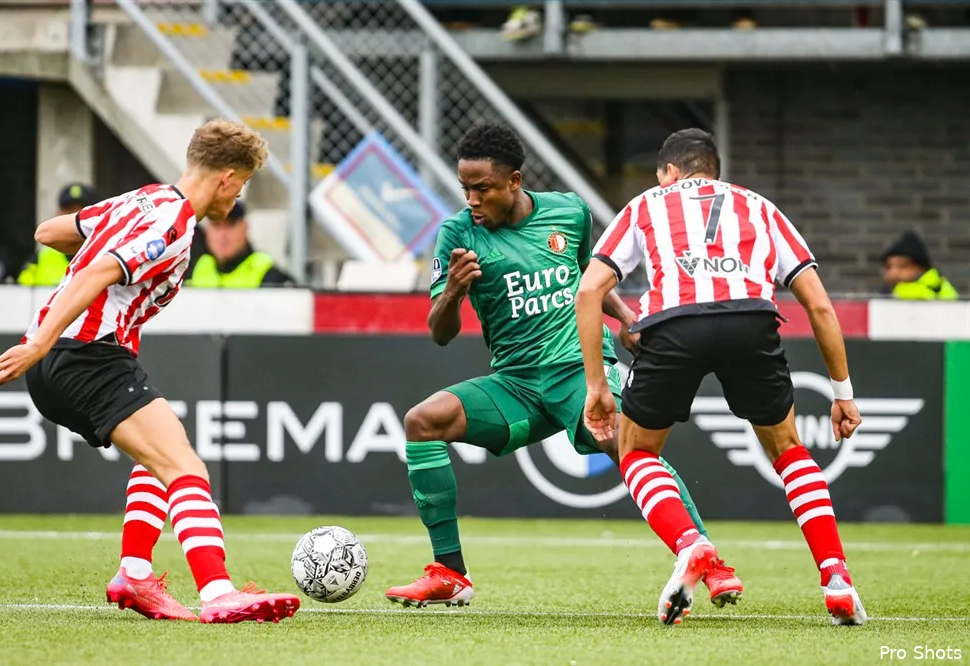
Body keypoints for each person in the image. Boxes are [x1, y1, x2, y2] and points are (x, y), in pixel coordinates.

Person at [384, 123, 743, 610]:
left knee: (627, 444)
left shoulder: (569, 212)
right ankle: (451, 573)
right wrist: (453, 292)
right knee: (422, 422)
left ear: (514, 180)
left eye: (483, 189)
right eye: (465, 189)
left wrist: (626, 316)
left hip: (577, 371)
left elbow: (586, 281)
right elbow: (440, 332)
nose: (472, 200)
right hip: (516, 383)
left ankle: (710, 562)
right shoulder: (456, 235)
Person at [0, 119, 300, 624]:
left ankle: (134, 573)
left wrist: (63, 312)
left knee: (162, 455)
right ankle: (218, 593)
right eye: (244, 184)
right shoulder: (170, 222)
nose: (239, 197)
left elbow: (50, 232)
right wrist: (39, 341)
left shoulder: (145, 199)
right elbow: (100, 270)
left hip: (72, 357)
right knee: (187, 470)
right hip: (85, 355)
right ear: (227, 178)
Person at [575, 128, 867, 626]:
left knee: (637, 452)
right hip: (749, 319)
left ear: (668, 172)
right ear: (714, 170)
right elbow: (818, 303)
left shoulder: (647, 205)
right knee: (789, 451)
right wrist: (843, 393)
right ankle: (837, 578)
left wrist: (598, 385)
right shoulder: (758, 206)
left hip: (672, 325)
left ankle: (691, 544)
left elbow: (589, 292)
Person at [186, 200, 295, 288]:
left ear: (245, 227)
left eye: (230, 225)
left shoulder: (269, 274)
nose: (223, 235)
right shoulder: (194, 268)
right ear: (207, 230)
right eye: (217, 226)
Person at [18, 183, 100, 286]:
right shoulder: (39, 258)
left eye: (81, 211)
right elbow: (21, 294)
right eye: (68, 209)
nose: (74, 216)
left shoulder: (107, 255)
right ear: (58, 213)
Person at [880, 230, 959, 300]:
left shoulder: (933, 288)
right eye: (888, 267)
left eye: (902, 266)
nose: (893, 272)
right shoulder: (888, 291)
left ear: (919, 267)